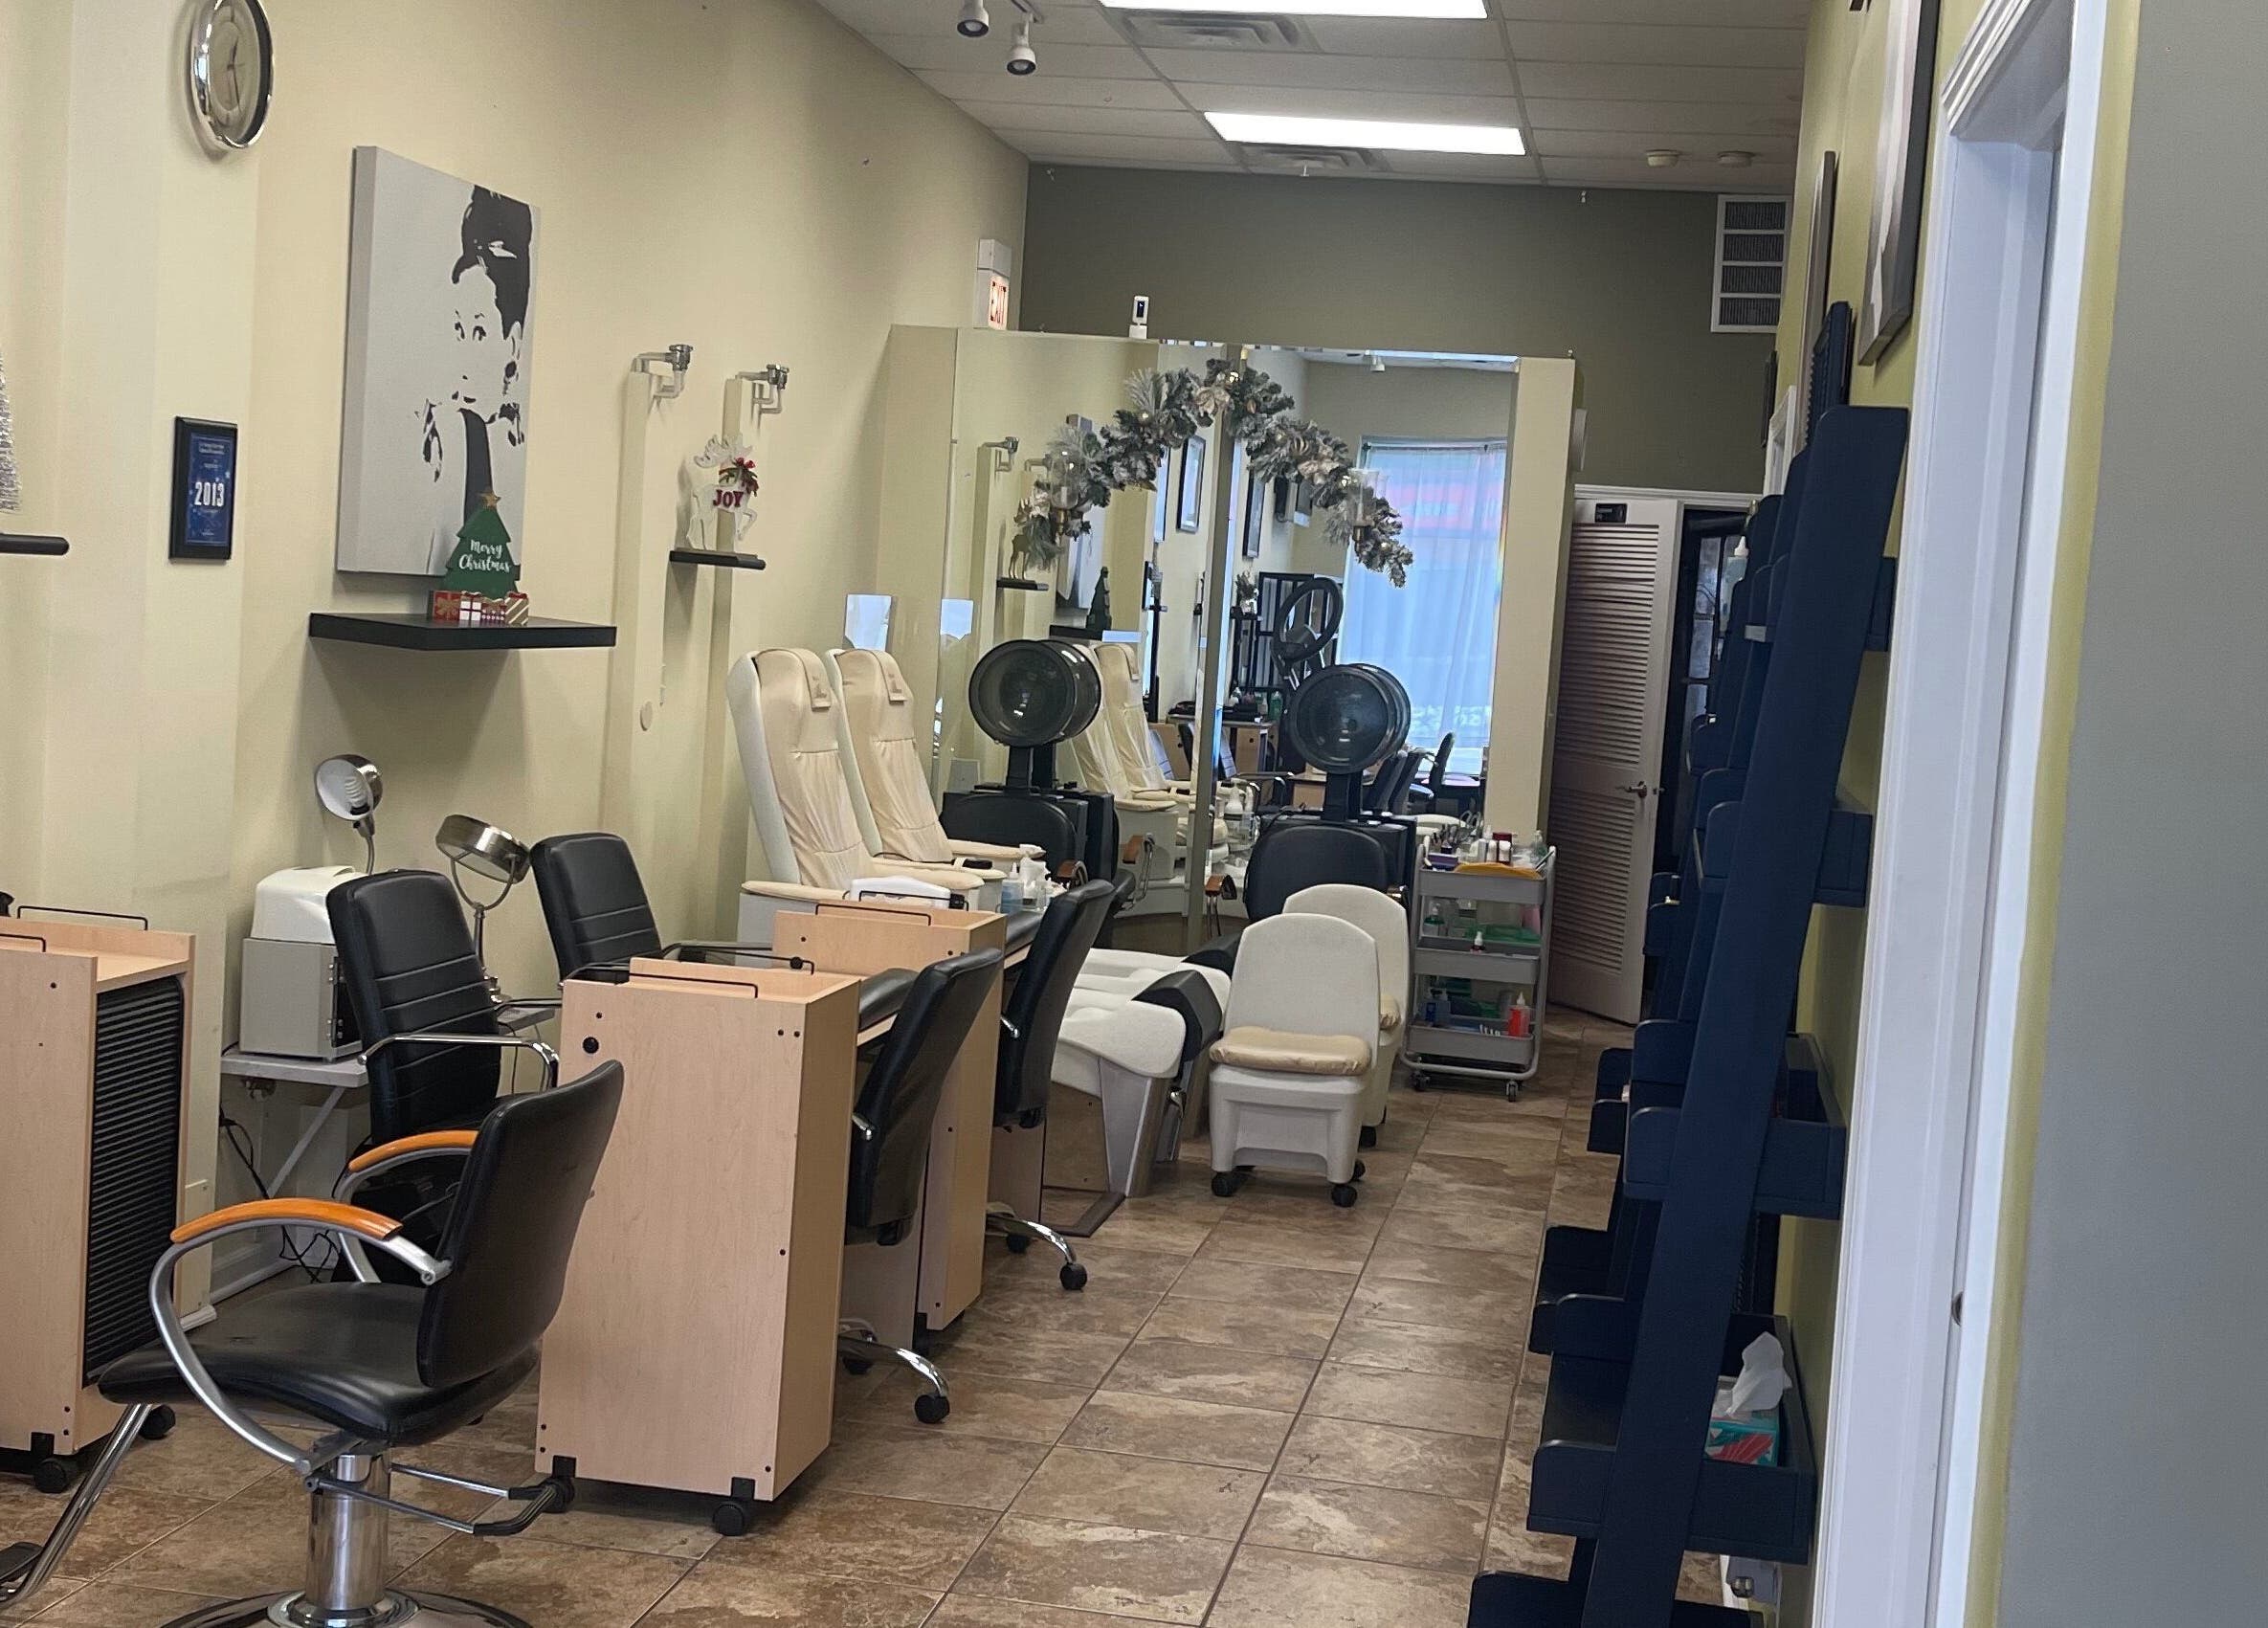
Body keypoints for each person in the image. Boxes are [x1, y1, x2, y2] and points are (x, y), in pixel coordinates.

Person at [418, 187, 532, 570]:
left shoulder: (507, 452)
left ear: (512, 347)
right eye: (457, 330)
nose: (463, 359)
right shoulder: (441, 438)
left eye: (480, 333)